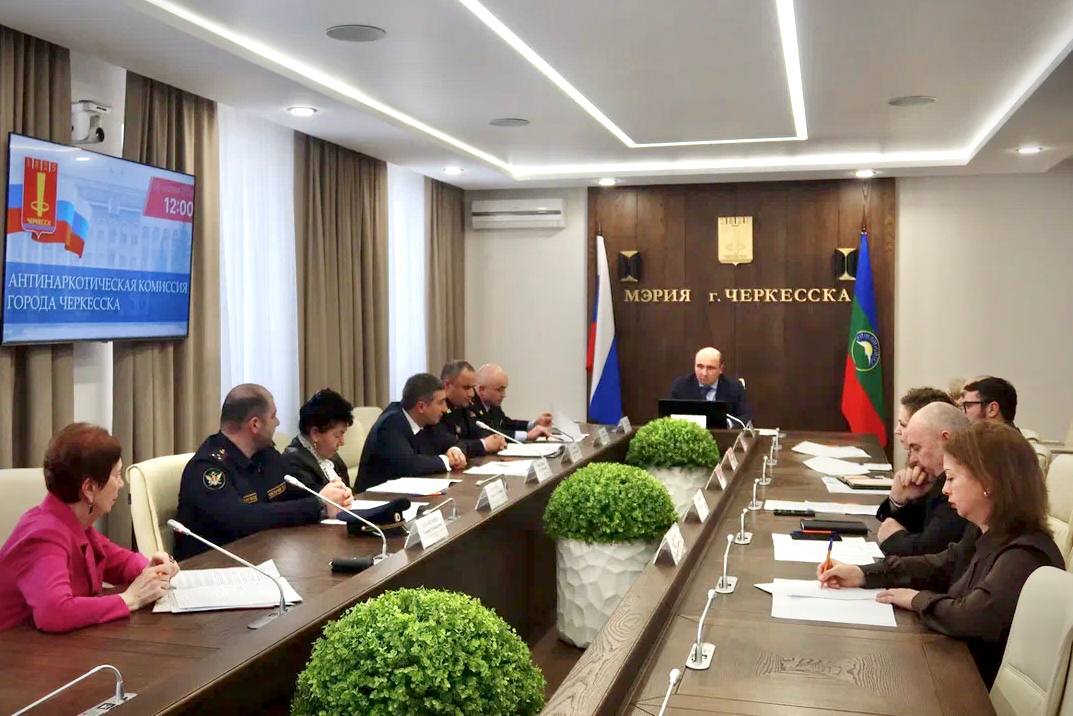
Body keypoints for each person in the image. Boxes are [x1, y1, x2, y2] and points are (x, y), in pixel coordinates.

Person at [819, 421, 1063, 687]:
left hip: (977, 691)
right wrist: (863, 573)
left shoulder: (1024, 555)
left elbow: (970, 616)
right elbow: (940, 566)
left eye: (952, 478)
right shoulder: (983, 531)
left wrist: (916, 599)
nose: (945, 489)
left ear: (988, 483)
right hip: (958, 670)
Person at [0, 423, 179, 632]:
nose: (121, 484)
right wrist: (129, 599)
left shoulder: (73, 523)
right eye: (116, 475)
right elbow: (54, 612)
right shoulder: (43, 535)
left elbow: (120, 562)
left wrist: (154, 570)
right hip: (15, 647)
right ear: (89, 488)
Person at [174, 384, 351, 559]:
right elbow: (241, 520)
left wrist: (331, 496)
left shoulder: (265, 455)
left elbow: (292, 492)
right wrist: (318, 504)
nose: (277, 423)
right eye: (273, 416)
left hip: (262, 554)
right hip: (213, 565)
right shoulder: (208, 469)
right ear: (255, 424)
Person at [876, 402, 970, 556]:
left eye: (917, 448)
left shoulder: (965, 483)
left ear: (946, 440)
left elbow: (931, 551)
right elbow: (895, 527)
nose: (912, 459)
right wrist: (898, 500)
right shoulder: (935, 481)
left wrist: (894, 539)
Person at [355, 373, 467, 493]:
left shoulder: (428, 422)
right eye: (440, 402)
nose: (445, 409)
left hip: (408, 494)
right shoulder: (390, 424)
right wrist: (447, 460)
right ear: (421, 407)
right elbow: (409, 465)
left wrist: (455, 451)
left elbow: (456, 442)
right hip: (376, 498)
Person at [282, 388, 354, 490]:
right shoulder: (294, 464)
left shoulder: (329, 456)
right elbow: (315, 499)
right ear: (315, 433)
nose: (342, 442)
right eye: (337, 435)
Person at [437, 360, 505, 457]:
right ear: (447, 385)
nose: (472, 394)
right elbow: (448, 445)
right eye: (466, 388)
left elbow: (477, 433)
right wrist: (484, 445)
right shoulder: (437, 410)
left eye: (473, 387)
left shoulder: (465, 406)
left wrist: (495, 440)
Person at [471, 363, 553, 442]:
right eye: (499, 390)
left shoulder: (491, 403)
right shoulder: (470, 404)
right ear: (482, 390)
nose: (504, 395)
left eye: (504, 389)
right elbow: (485, 434)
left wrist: (534, 424)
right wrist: (527, 436)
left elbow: (504, 423)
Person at [667, 347, 751, 422]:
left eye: (710, 368)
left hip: (723, 434)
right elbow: (668, 416)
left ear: (721, 369)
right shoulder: (681, 386)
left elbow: (746, 416)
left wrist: (727, 424)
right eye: (700, 366)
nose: (704, 373)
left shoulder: (734, 387)